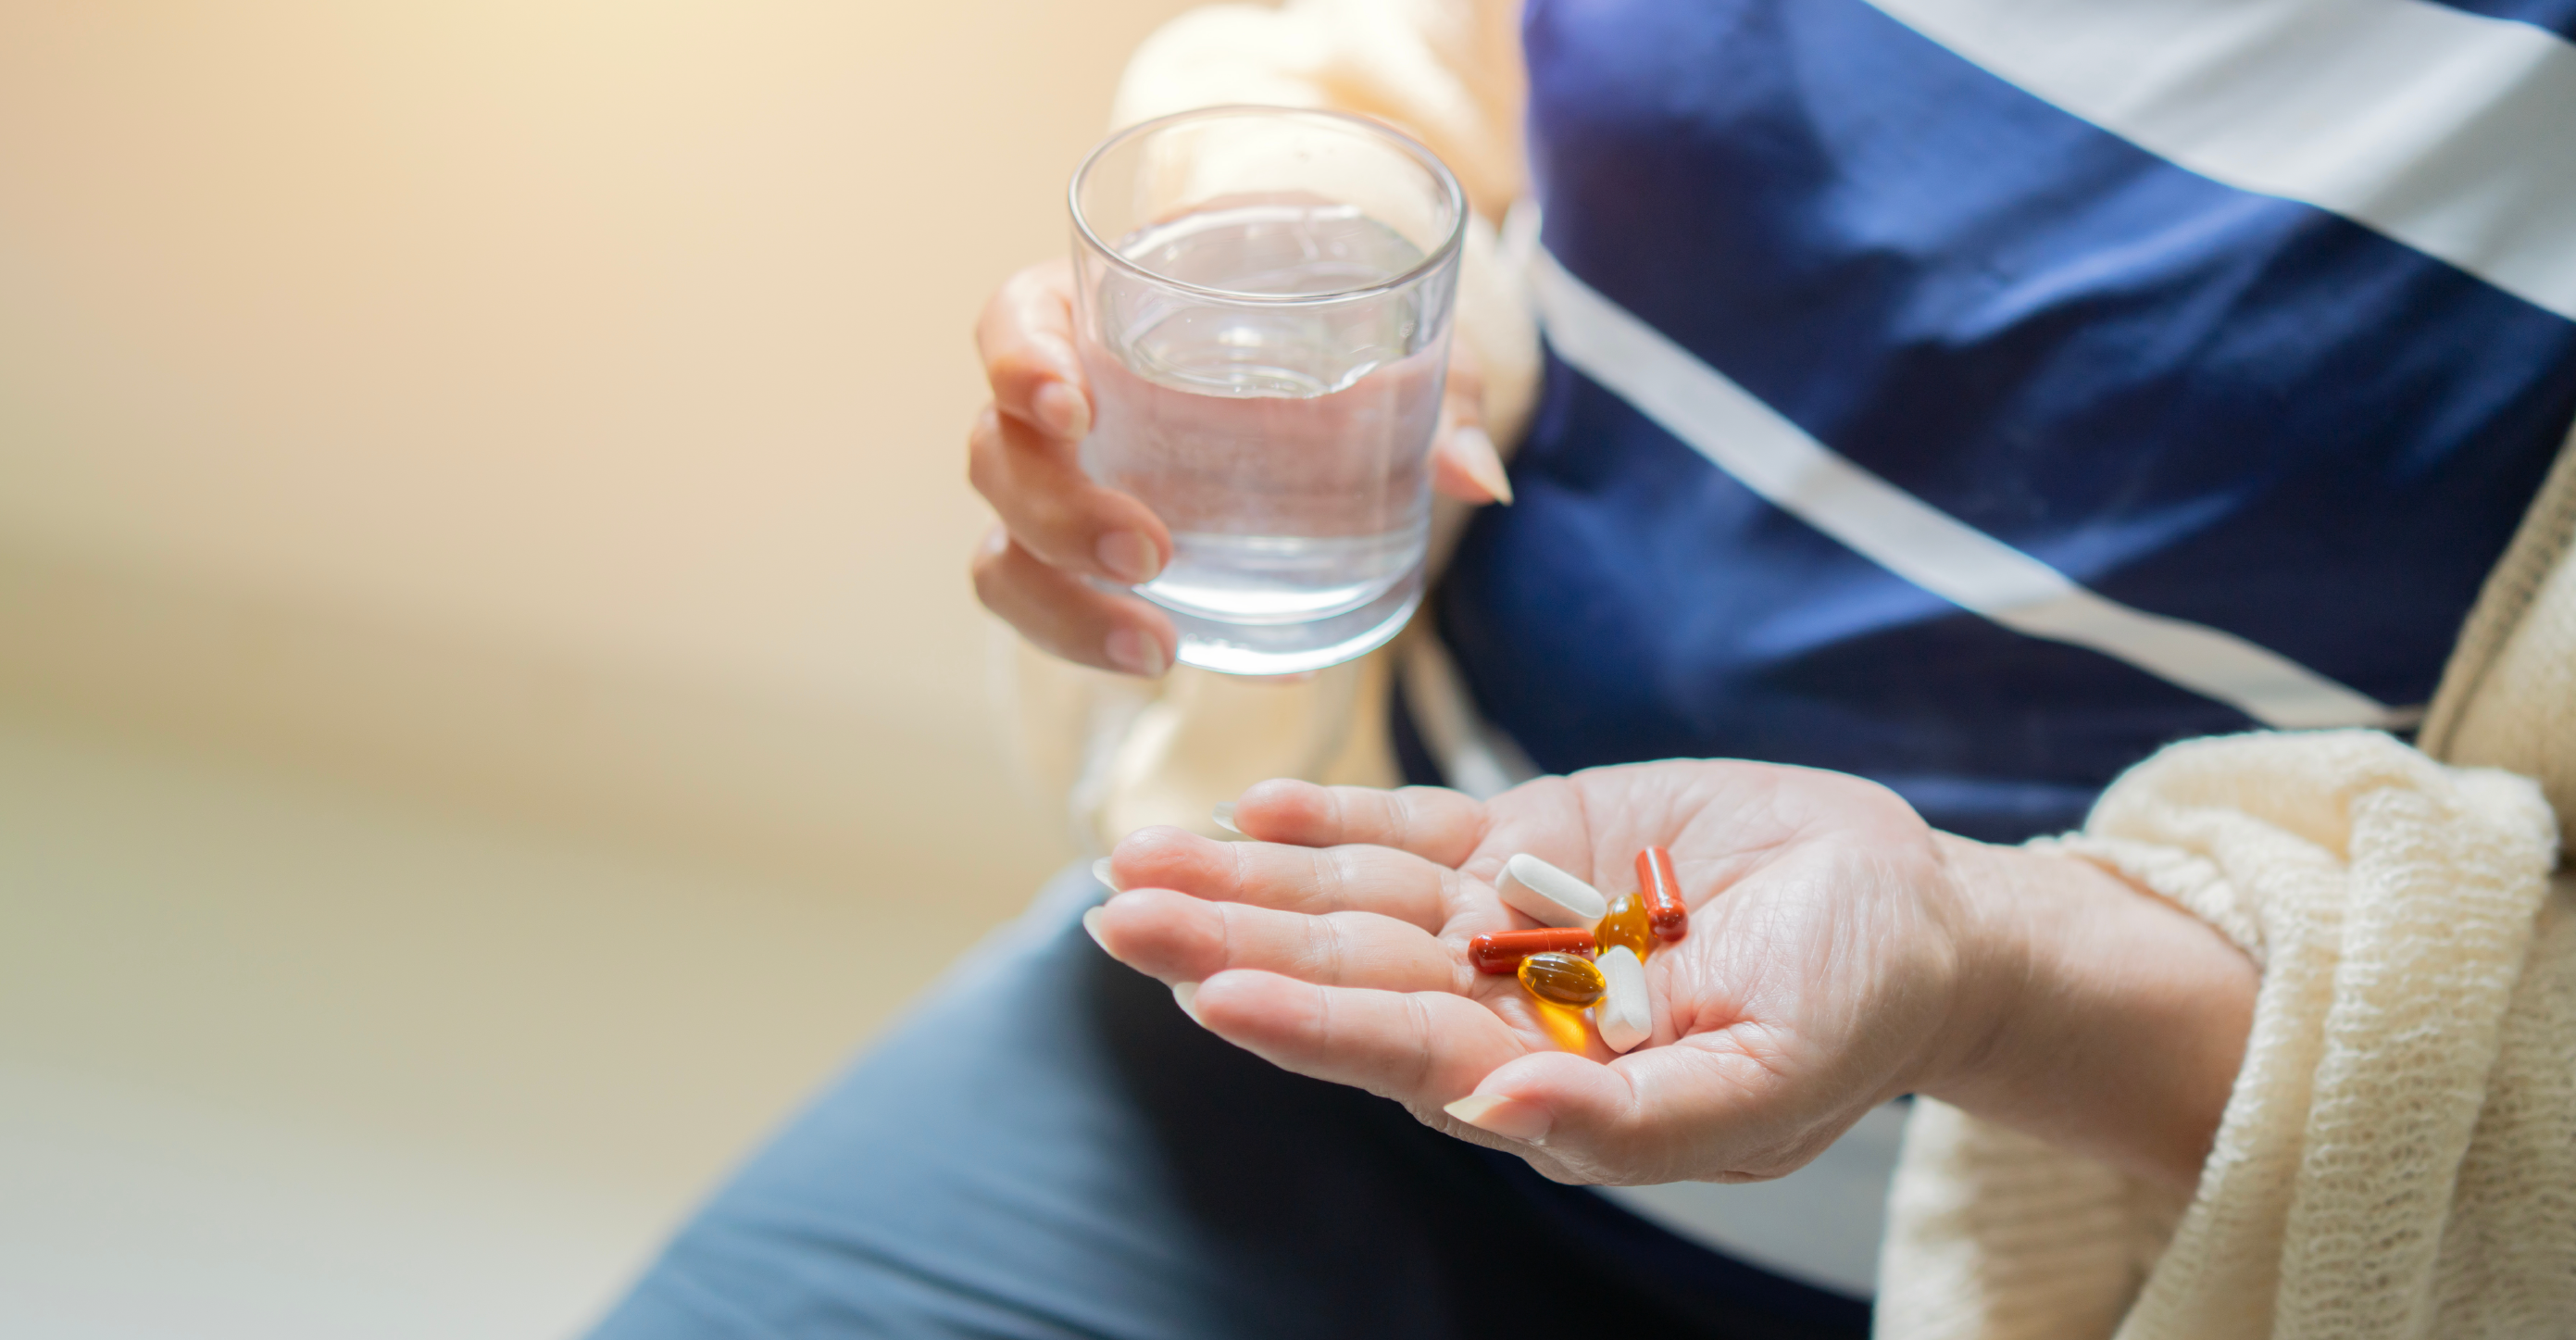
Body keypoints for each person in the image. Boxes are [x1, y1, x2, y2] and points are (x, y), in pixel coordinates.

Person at [591, 1, 2576, 1335]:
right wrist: (1296, 250)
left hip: (2015, 1278)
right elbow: (1389, 53)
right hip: (1299, 993)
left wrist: (1986, 962)